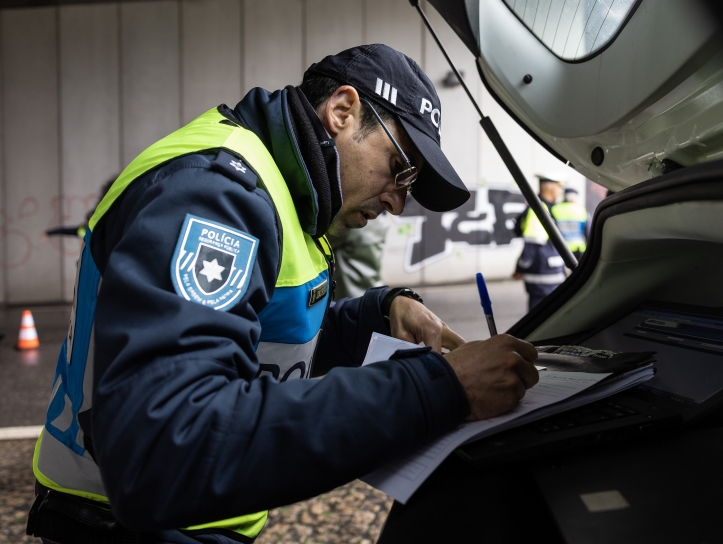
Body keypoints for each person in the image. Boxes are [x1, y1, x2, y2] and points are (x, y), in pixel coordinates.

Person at [27, 44, 539, 544]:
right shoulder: (215, 195)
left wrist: (374, 319)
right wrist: (438, 389)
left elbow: (248, 336)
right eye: (401, 169)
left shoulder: (287, 193)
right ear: (342, 111)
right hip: (127, 527)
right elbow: (166, 448)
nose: (399, 202)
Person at [512, 176, 566, 310]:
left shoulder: (545, 209)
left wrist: (520, 268)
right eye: (559, 188)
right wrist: (520, 268)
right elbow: (531, 246)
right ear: (551, 188)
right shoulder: (539, 211)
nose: (560, 192)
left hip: (547, 277)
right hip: (543, 278)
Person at [326, 211, 391, 299]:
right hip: (371, 292)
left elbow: (319, 241)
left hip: (349, 298)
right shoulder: (380, 223)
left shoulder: (352, 225)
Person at [552, 187, 588, 261]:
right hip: (578, 248)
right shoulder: (582, 210)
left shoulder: (555, 209)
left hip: (560, 248)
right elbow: (588, 231)